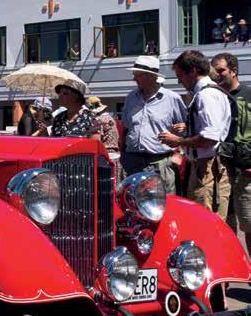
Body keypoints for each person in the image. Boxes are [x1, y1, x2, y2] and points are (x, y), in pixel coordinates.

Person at [159, 50, 232, 220]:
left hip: (208, 168)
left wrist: (178, 140)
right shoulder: (207, 93)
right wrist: (188, 129)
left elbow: (210, 137)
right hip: (205, 167)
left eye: (180, 75)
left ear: (193, 71)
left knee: (206, 222)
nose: (179, 81)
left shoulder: (207, 95)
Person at [121, 56, 187, 195]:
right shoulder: (131, 98)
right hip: (133, 162)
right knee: (133, 202)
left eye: (138, 75)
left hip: (161, 162)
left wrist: (180, 153)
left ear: (151, 76)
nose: (134, 78)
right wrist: (123, 157)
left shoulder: (172, 98)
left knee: (164, 202)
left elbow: (186, 128)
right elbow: (126, 128)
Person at [212, 52, 251, 245]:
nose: (216, 75)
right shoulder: (214, 97)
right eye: (214, 71)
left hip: (246, 172)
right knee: (224, 225)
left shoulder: (249, 95)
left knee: (249, 225)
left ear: (234, 71)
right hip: (221, 170)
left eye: (221, 70)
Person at [87, 96, 121, 177]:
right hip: (115, 155)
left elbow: (96, 142)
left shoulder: (99, 120)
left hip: (105, 156)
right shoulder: (110, 118)